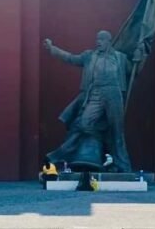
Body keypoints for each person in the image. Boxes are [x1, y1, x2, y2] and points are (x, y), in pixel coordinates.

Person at [42, 31, 143, 172]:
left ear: (108, 41)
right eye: (97, 39)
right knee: (84, 123)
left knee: (117, 131)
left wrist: (139, 57)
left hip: (114, 93)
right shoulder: (89, 56)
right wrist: (52, 48)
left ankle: (123, 166)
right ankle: (102, 140)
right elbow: (70, 58)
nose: (98, 42)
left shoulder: (120, 57)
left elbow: (132, 70)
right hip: (96, 92)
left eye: (101, 39)